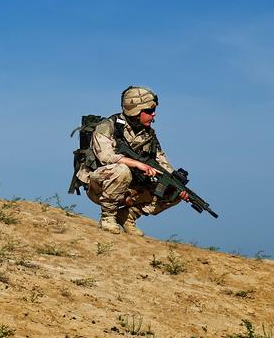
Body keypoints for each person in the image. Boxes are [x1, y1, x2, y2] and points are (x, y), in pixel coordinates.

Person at [75, 86, 189, 235]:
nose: (153, 115)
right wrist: (136, 164)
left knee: (173, 191)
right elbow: (106, 157)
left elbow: (163, 163)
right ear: (134, 110)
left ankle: (128, 217)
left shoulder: (149, 135)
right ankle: (108, 217)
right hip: (100, 186)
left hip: (129, 190)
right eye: (148, 111)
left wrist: (177, 186)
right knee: (122, 170)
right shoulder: (107, 127)